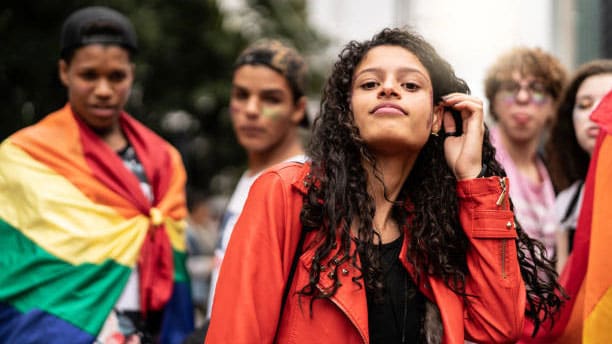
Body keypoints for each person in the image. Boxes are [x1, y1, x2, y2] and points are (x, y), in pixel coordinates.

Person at [205, 28, 563, 343]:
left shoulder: (434, 228)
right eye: (370, 84)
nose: (389, 89)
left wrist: (473, 179)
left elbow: (499, 326)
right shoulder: (285, 193)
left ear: (437, 117)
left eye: (410, 85)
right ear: (347, 112)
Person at [0, 6, 193, 343]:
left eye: (116, 77)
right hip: (50, 332)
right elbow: (14, 261)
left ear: (131, 74)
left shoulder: (164, 161)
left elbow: (172, 264)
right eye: (89, 75)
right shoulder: (23, 157)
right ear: (64, 72)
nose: (104, 90)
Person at [206, 39, 309, 317]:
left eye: (271, 99)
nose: (251, 109)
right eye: (241, 95)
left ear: (298, 109)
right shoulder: (249, 177)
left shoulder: (299, 186)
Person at [484, 47, 567, 260]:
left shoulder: (557, 176)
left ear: (553, 107)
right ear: (493, 102)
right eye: (510, 88)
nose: (522, 97)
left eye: (537, 89)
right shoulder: (475, 159)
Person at [545, 60, 612, 272]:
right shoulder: (567, 203)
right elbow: (563, 290)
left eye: (608, 103)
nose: (594, 114)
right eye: (584, 104)